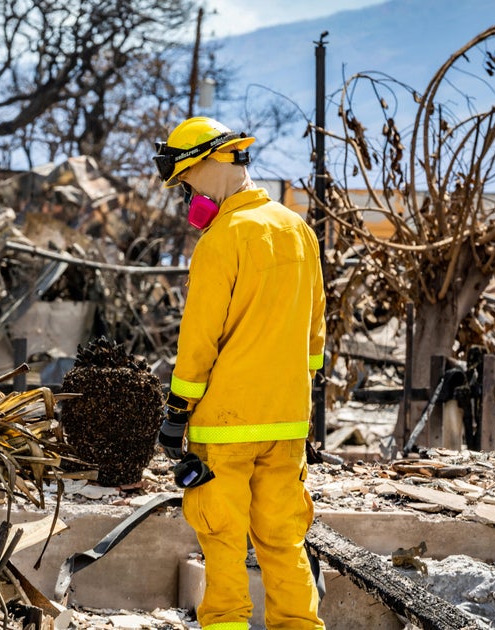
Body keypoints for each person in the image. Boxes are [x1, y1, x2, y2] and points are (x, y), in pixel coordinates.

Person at [153, 116, 326, 630]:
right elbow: (315, 336)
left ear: (211, 165)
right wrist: (301, 400)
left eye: (186, 182)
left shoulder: (222, 239)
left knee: (223, 543)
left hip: (225, 423)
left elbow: (199, 342)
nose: (188, 197)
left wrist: (176, 412)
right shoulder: (298, 229)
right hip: (288, 420)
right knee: (283, 541)